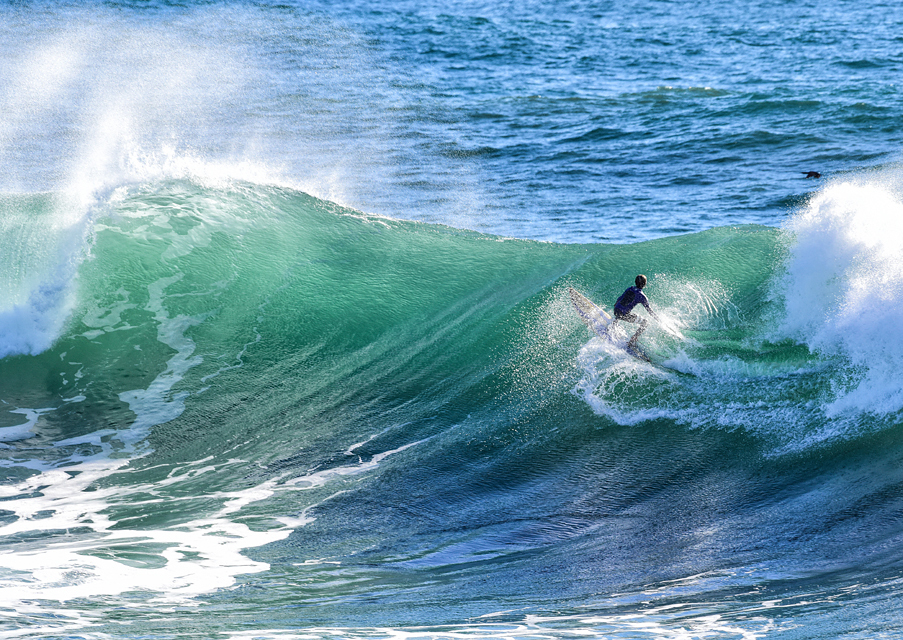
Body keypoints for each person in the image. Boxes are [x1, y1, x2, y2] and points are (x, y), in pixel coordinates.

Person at [613, 274, 657, 348]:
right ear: (645, 284)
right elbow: (650, 311)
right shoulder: (642, 296)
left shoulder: (630, 288)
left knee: (623, 311)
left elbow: (619, 299)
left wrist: (616, 307)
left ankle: (614, 323)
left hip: (616, 310)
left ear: (635, 282)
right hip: (623, 315)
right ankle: (632, 341)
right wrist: (659, 320)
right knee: (645, 322)